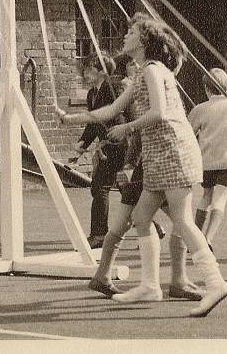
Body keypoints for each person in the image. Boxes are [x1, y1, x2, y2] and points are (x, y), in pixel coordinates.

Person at [66, 14, 227, 314]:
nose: (125, 35)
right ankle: (150, 285)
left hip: (172, 151)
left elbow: (159, 113)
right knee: (142, 217)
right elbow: (112, 109)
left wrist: (126, 129)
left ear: (144, 40)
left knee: (181, 220)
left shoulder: (153, 71)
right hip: (158, 155)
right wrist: (71, 118)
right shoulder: (145, 72)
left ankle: (215, 282)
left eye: (131, 31)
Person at [59, 52, 192, 301]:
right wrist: (73, 123)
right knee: (174, 218)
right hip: (145, 160)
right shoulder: (143, 83)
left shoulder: (140, 83)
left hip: (142, 158)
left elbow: (126, 118)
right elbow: (114, 117)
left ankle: (107, 275)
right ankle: (177, 279)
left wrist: (125, 138)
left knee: (134, 217)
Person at [188, 68, 227, 246]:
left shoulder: (200, 109)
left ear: (206, 87)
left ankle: (195, 240)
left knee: (206, 196)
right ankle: (208, 238)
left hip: (206, 163)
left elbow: (188, 133)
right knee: (219, 200)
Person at [74, 51, 124, 248]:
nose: (85, 73)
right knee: (128, 189)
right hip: (109, 145)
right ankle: (153, 226)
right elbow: (93, 121)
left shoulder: (114, 87)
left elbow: (122, 114)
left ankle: (99, 234)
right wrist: (82, 145)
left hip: (120, 144)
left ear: (102, 72)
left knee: (100, 186)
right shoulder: (92, 93)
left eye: (89, 69)